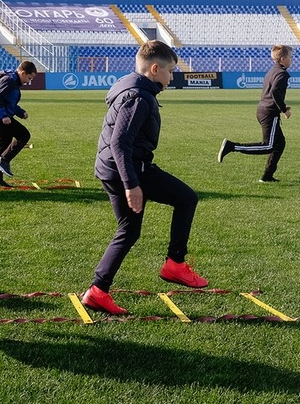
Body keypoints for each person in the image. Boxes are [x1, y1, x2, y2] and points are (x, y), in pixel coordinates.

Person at [81, 40, 208, 316]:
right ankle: (175, 264)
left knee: (129, 230)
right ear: (154, 69)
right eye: (170, 71)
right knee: (186, 198)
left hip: (112, 167)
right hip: (126, 169)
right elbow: (120, 143)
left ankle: (97, 291)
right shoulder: (139, 97)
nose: (171, 77)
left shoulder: (132, 86)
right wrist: (132, 185)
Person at [218, 45, 293, 182]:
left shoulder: (272, 71)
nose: (291, 60)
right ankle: (231, 146)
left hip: (264, 110)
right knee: (268, 145)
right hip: (269, 112)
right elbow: (275, 92)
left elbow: (271, 93)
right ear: (282, 59)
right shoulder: (282, 74)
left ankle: (267, 176)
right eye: (290, 57)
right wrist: (284, 110)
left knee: (279, 144)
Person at [0, 60, 37, 188]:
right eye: (29, 78)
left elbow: (10, 103)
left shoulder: (13, 80)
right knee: (24, 135)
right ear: (23, 72)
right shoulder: (9, 80)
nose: (28, 81)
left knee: (4, 147)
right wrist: (3, 116)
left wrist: (21, 112)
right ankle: (3, 161)